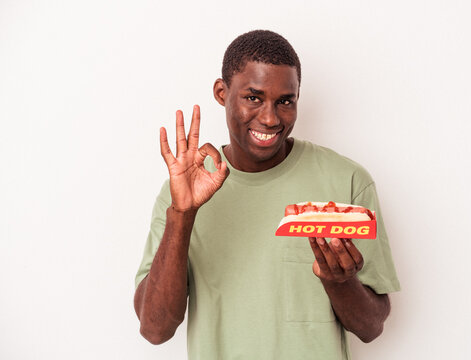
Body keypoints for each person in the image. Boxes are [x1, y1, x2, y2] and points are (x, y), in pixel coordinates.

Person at [134, 30, 400, 359]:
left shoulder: (347, 182)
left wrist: (339, 282)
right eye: (253, 98)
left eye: (285, 101)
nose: (271, 118)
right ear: (222, 92)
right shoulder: (183, 192)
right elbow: (154, 329)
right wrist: (182, 215)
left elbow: (371, 328)